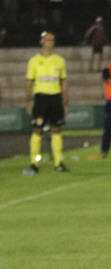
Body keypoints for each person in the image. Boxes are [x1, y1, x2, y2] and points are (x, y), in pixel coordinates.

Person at [24, 31, 69, 173]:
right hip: (41, 98)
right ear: (41, 41)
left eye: (52, 40)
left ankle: (58, 163)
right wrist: (28, 100)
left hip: (55, 98)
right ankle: (34, 163)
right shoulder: (34, 61)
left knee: (56, 129)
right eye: (47, 39)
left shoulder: (59, 60)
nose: (50, 42)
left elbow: (63, 82)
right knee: (37, 129)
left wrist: (65, 102)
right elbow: (29, 82)